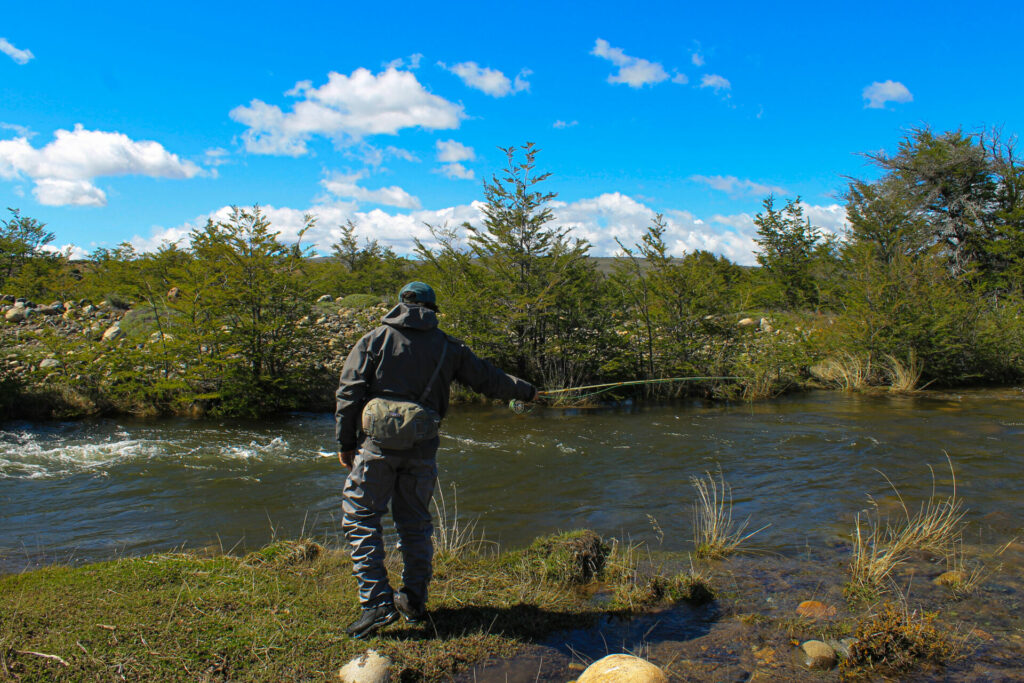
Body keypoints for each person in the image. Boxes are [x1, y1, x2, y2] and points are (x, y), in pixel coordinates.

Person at [335, 281, 537, 639]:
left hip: (376, 448)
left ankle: (377, 603)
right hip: (422, 448)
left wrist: (345, 442)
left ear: (399, 304)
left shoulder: (373, 340)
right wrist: (526, 391)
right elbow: (489, 380)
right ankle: (413, 600)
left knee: (362, 516)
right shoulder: (448, 347)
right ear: (432, 308)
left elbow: (349, 392)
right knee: (414, 522)